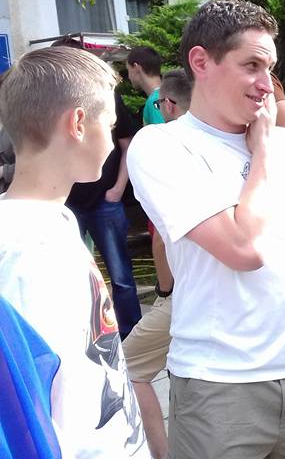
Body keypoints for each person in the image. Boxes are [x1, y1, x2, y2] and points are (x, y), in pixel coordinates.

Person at [126, 0, 285, 459]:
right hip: (219, 390)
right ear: (201, 61)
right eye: (252, 66)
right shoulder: (163, 146)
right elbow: (244, 249)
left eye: (270, 68)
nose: (267, 85)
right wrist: (261, 152)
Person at [0, 46, 148, 457]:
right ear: (78, 123)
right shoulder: (23, 252)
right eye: (110, 125)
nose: (113, 143)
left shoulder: (57, 220)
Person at [51, 36, 143, 339]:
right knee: (70, 273)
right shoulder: (51, 102)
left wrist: (118, 187)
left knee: (120, 276)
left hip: (105, 200)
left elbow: (128, 143)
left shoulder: (105, 95)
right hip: (66, 202)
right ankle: (82, 334)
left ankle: (130, 336)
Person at [122, 68, 190, 459]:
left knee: (128, 367)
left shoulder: (161, 151)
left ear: (170, 105)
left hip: (184, 291)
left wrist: (164, 290)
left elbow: (162, 237)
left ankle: (162, 454)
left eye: (160, 104)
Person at [126, 46, 164, 126]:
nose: (129, 77)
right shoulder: (168, 95)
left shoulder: (155, 101)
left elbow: (162, 133)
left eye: (128, 70)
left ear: (136, 68)